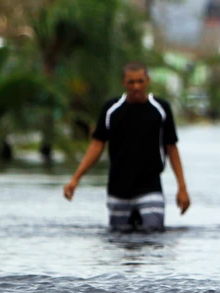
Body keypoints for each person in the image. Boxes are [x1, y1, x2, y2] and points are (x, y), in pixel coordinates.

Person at [63, 61, 190, 232]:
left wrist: (182, 188)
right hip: (118, 190)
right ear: (124, 82)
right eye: (131, 82)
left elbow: (171, 148)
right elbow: (96, 146)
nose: (136, 86)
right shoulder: (111, 109)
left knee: (153, 235)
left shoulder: (161, 109)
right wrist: (75, 179)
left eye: (140, 81)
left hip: (150, 187)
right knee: (118, 240)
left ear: (147, 81)